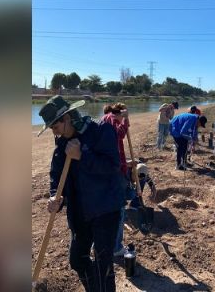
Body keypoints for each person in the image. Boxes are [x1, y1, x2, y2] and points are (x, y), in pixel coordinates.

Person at [40, 96, 125, 292]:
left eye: (54, 125)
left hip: (105, 208)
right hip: (79, 212)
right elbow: (57, 174)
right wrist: (56, 197)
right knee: (77, 259)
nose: (53, 130)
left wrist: (82, 156)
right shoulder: (61, 144)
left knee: (103, 263)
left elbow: (113, 166)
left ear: (67, 117)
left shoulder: (100, 131)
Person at [100, 103, 132, 257]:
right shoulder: (112, 118)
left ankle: (101, 243)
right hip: (116, 170)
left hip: (107, 169)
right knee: (119, 208)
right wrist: (125, 120)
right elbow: (119, 134)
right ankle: (116, 247)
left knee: (106, 207)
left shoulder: (104, 118)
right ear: (119, 112)